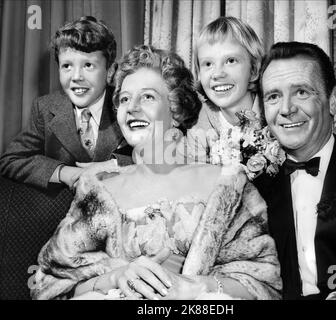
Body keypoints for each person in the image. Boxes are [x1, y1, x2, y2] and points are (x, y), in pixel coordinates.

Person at [30, 45, 282, 300]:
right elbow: (50, 282)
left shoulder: (227, 185)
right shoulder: (98, 188)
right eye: (125, 99)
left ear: (175, 110)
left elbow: (263, 283)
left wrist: (193, 287)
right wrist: (115, 277)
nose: (132, 107)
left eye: (148, 97)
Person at [256, 41, 336, 300]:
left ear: (332, 101)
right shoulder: (257, 190)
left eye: (301, 92)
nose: (286, 109)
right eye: (273, 96)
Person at [0, 16, 132, 190]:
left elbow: (158, 156)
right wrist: (65, 172)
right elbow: (11, 159)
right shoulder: (45, 108)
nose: (76, 77)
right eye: (67, 66)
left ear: (109, 70)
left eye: (88, 65)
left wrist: (113, 165)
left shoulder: (127, 104)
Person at [185, 16, 264, 163]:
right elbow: (194, 178)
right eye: (208, 63)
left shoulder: (271, 113)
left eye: (231, 61)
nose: (217, 73)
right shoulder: (199, 124)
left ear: (253, 70)